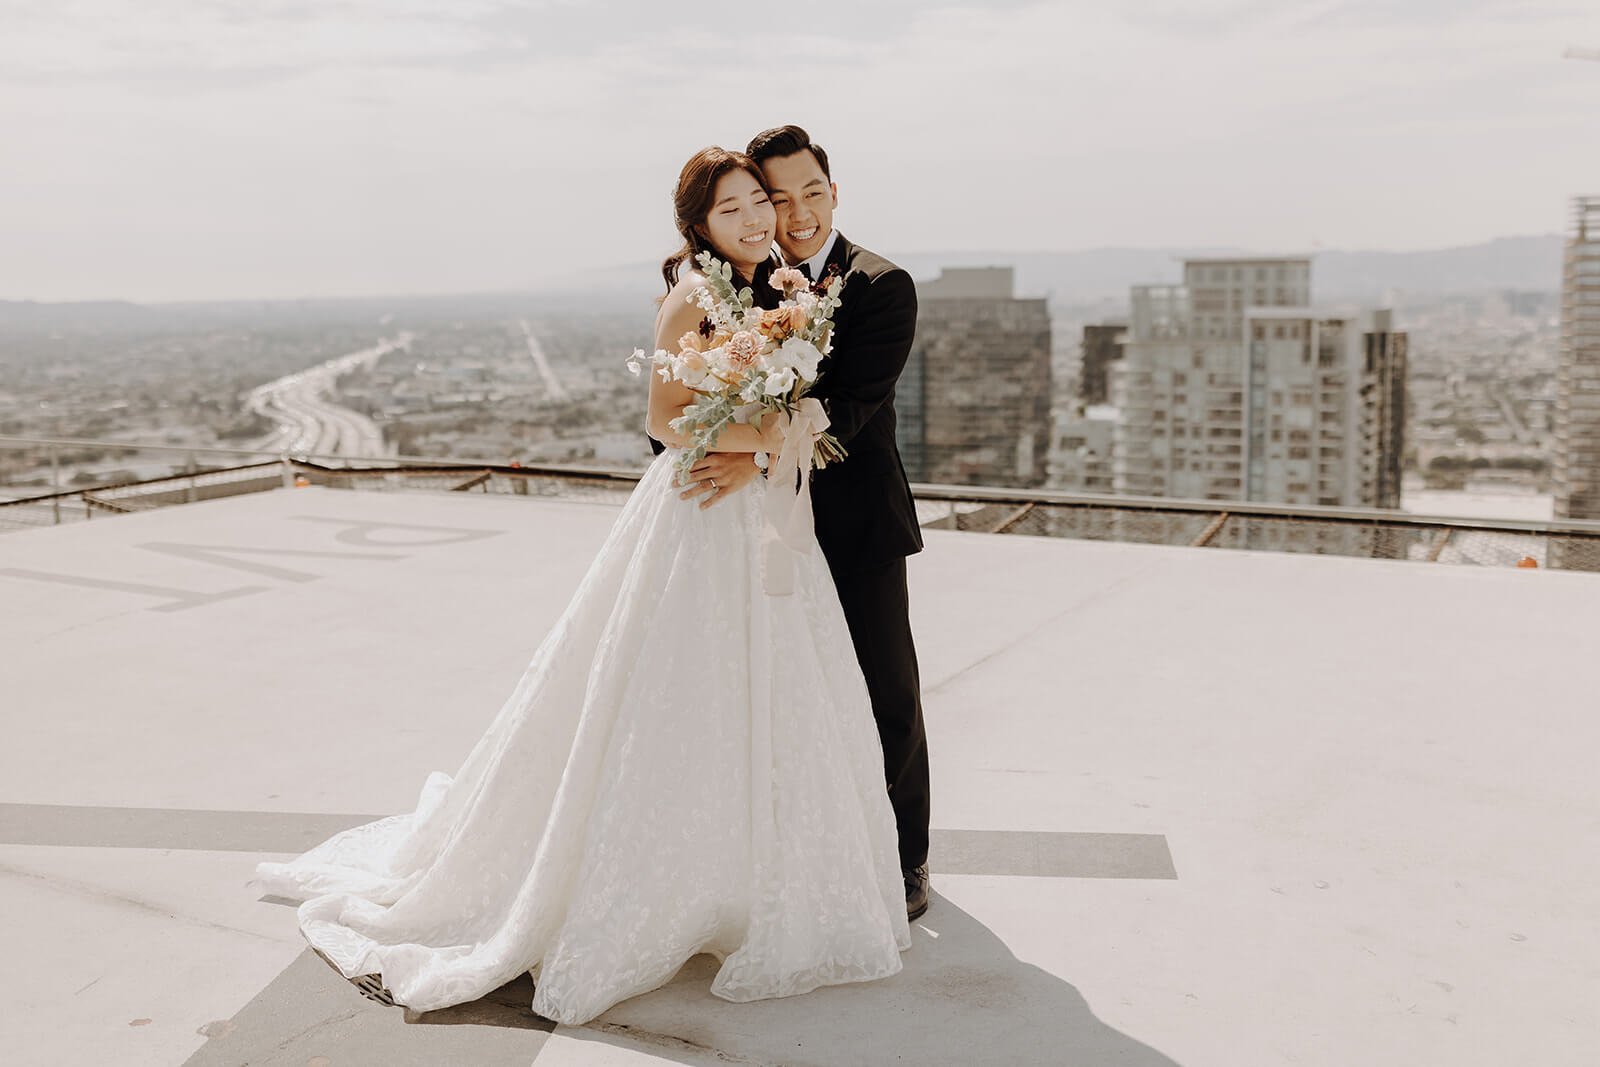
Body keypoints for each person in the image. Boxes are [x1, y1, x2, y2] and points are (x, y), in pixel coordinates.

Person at [248, 147, 910, 1026]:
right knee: (673, 694)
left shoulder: (773, 290)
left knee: (772, 694)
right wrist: (749, 435)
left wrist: (760, 438)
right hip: (701, 515)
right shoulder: (695, 296)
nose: (756, 218)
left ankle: (752, 874)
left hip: (757, 512)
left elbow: (798, 410)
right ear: (699, 227)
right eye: (734, 209)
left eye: (761, 201)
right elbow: (665, 420)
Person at [672, 125, 931, 921]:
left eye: (811, 192)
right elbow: (686, 401)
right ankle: (802, 853)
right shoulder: (736, 283)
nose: (797, 212)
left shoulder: (882, 285)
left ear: (834, 191)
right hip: (754, 529)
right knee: (784, 697)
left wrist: (754, 457)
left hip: (854, 524)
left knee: (885, 692)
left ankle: (905, 858)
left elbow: (852, 407)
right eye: (778, 199)